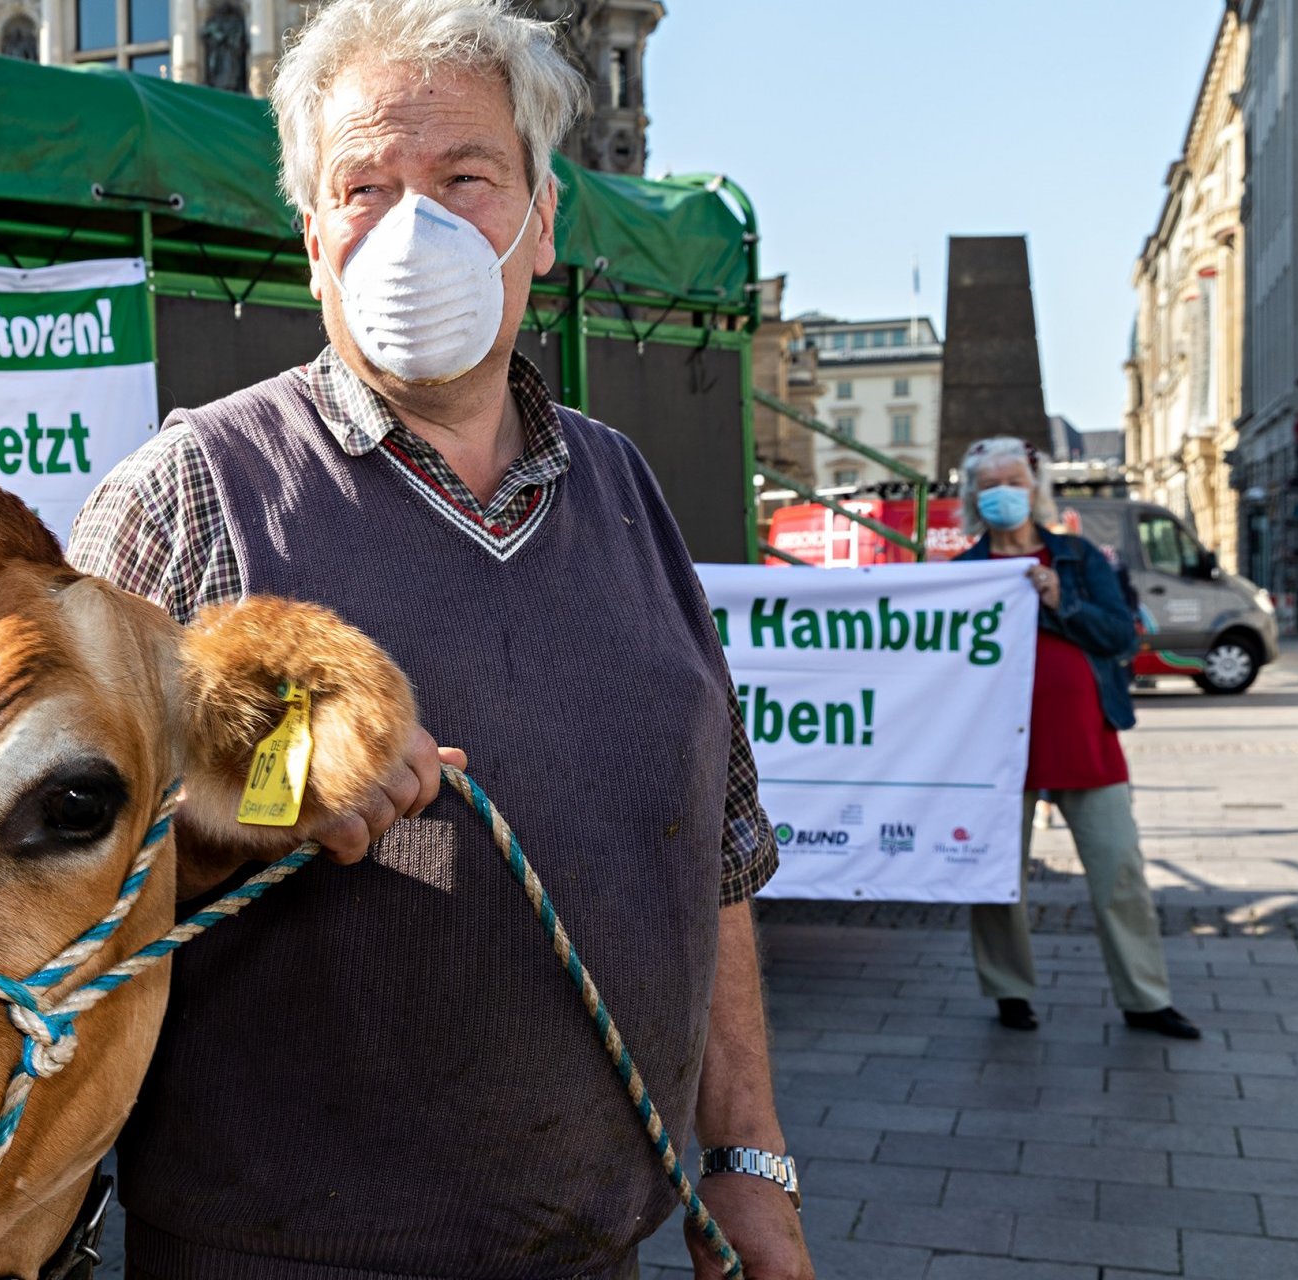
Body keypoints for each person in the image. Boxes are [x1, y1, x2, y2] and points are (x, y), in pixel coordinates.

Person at [66, 1, 812, 1274]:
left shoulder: (624, 490)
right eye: (364, 185)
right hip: (282, 1250)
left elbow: (714, 858)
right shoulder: (190, 490)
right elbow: (45, 883)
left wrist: (748, 1164)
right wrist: (270, 794)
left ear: (541, 223)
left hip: (597, 1240)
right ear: (312, 240)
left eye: (465, 176)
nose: (413, 226)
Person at [954, 437, 1200, 1040]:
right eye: (989, 486)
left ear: (1033, 488)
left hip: (1085, 740)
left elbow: (1120, 637)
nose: (1002, 496)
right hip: (998, 753)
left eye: (1012, 482)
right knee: (996, 877)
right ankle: (1009, 990)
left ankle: (1145, 998)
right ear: (972, 497)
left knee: (1119, 868)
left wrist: (1063, 601)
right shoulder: (960, 574)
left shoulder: (1078, 557)